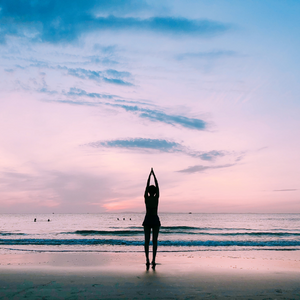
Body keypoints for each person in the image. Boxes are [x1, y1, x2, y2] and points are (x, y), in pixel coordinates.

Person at [142, 168, 161, 268]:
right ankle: (153, 259)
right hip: (154, 219)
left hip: (148, 219)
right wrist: (154, 176)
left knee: (146, 241)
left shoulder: (147, 198)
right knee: (154, 241)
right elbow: (158, 187)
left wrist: (149, 176)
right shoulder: (156, 198)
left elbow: (146, 186)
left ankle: (147, 259)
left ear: (149, 191)